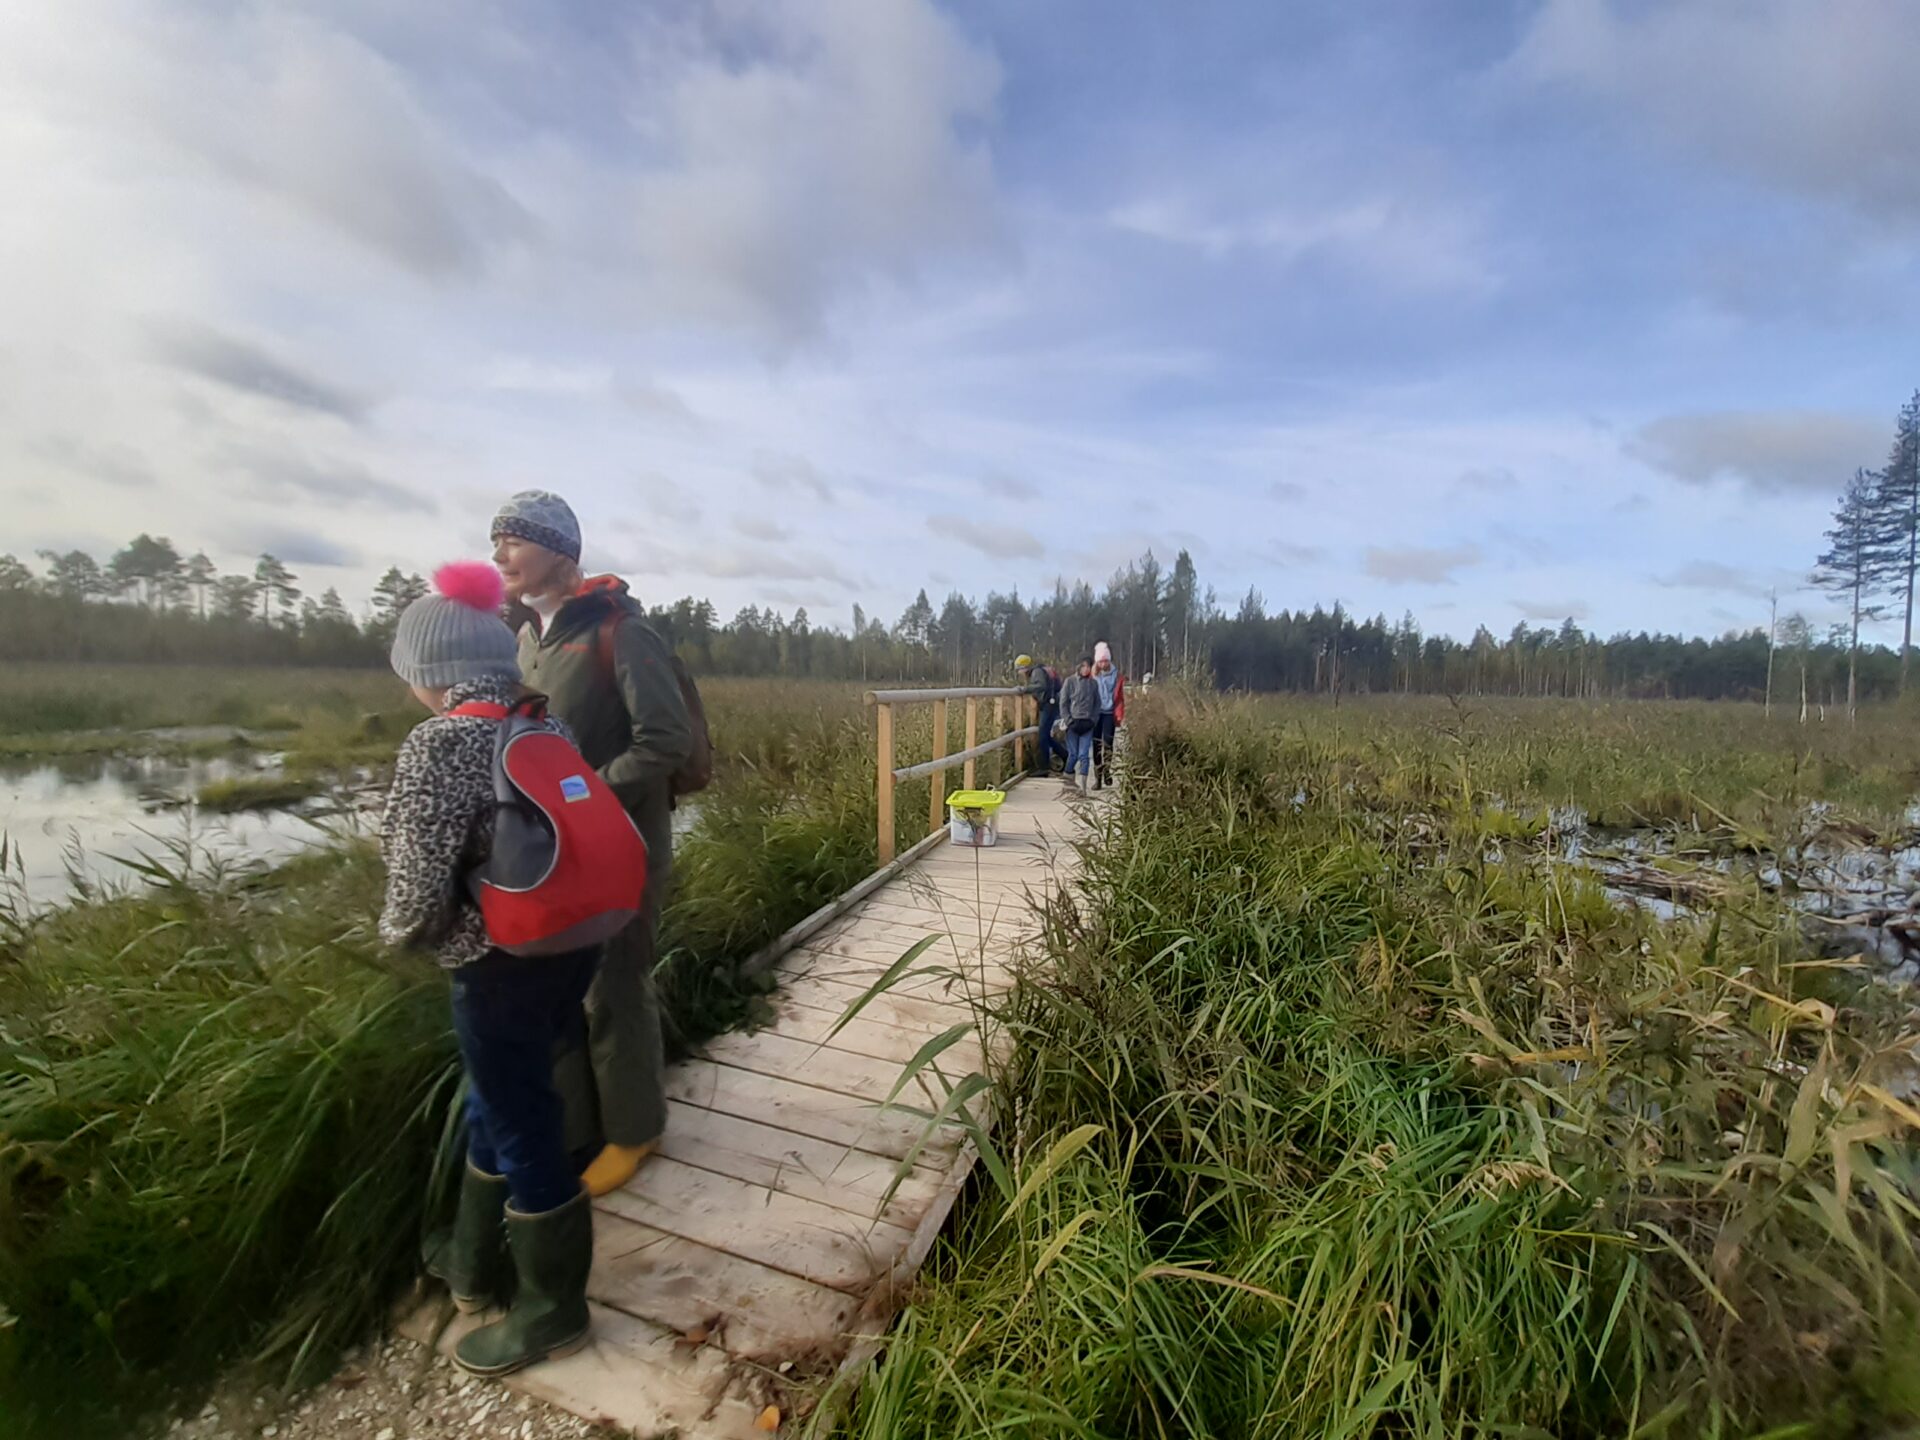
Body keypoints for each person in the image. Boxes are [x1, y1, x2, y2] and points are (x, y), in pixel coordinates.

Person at [381, 562, 596, 1377]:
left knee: (524, 1117)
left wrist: (405, 940)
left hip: (496, 961)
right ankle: (471, 1259)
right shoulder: (549, 728)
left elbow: (412, 887)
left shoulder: (439, 743)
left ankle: (554, 1310)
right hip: (569, 946)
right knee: (502, 1093)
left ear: (430, 674)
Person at [490, 491, 693, 1198]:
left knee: (616, 984)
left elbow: (666, 739)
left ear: (561, 553)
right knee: (560, 984)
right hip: (554, 852)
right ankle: (577, 1123)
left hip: (624, 845)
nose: (498, 554)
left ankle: (636, 1132)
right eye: (495, 540)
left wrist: (582, 793)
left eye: (514, 540)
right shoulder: (524, 641)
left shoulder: (620, 633)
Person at [1015, 653, 1065, 776]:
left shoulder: (1036, 672)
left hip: (1048, 705)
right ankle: (1064, 755)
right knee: (1045, 735)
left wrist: (1025, 689)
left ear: (1024, 667)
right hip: (1050, 704)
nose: (1019, 673)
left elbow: (1041, 686)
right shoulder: (1038, 671)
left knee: (1043, 735)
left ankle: (1044, 767)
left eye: (1019, 669)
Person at [1059, 655, 1100, 795]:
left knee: (1084, 755)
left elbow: (1097, 704)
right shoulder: (1070, 682)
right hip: (1073, 722)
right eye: (1083, 666)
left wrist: (1093, 720)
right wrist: (1068, 719)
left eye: (1088, 666)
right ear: (1078, 667)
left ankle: (1083, 788)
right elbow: (1063, 703)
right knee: (1073, 755)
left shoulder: (1093, 684)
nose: (1086, 669)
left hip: (1087, 723)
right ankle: (1068, 781)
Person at [1091, 641, 1127, 790]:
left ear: (1109, 660)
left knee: (1108, 744)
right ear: (1097, 661)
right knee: (1096, 745)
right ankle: (1098, 777)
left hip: (1109, 714)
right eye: (1100, 661)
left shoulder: (1116, 676)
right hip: (1095, 714)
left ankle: (1107, 770)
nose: (1103, 663)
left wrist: (1119, 715)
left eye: (1105, 660)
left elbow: (1120, 699)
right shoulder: (1092, 675)